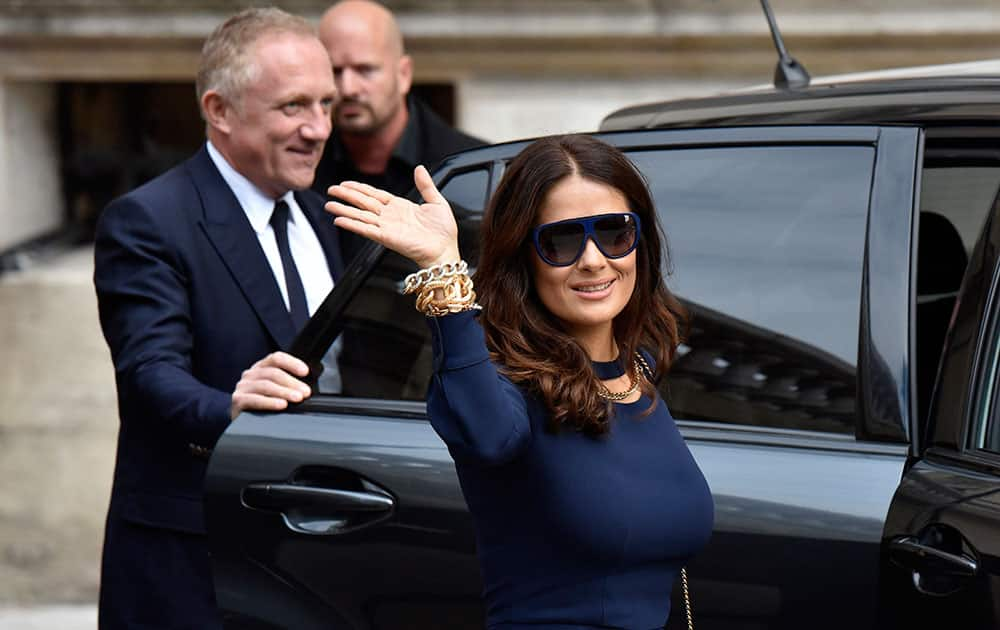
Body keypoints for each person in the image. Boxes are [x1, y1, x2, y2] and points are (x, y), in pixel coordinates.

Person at [326, 134, 715, 629]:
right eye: (563, 241)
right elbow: (486, 434)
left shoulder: (637, 370)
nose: (594, 259)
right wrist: (443, 271)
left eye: (615, 233)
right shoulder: (504, 382)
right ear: (524, 257)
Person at [93, 8, 341, 628]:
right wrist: (231, 406)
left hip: (308, 563)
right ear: (220, 110)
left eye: (326, 105)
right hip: (191, 568)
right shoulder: (148, 220)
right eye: (293, 107)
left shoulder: (317, 216)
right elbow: (150, 373)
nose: (319, 129)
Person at [313, 0, 485, 261]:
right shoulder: (302, 167)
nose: (347, 88)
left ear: (403, 74)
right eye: (334, 71)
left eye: (365, 70)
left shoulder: (471, 167)